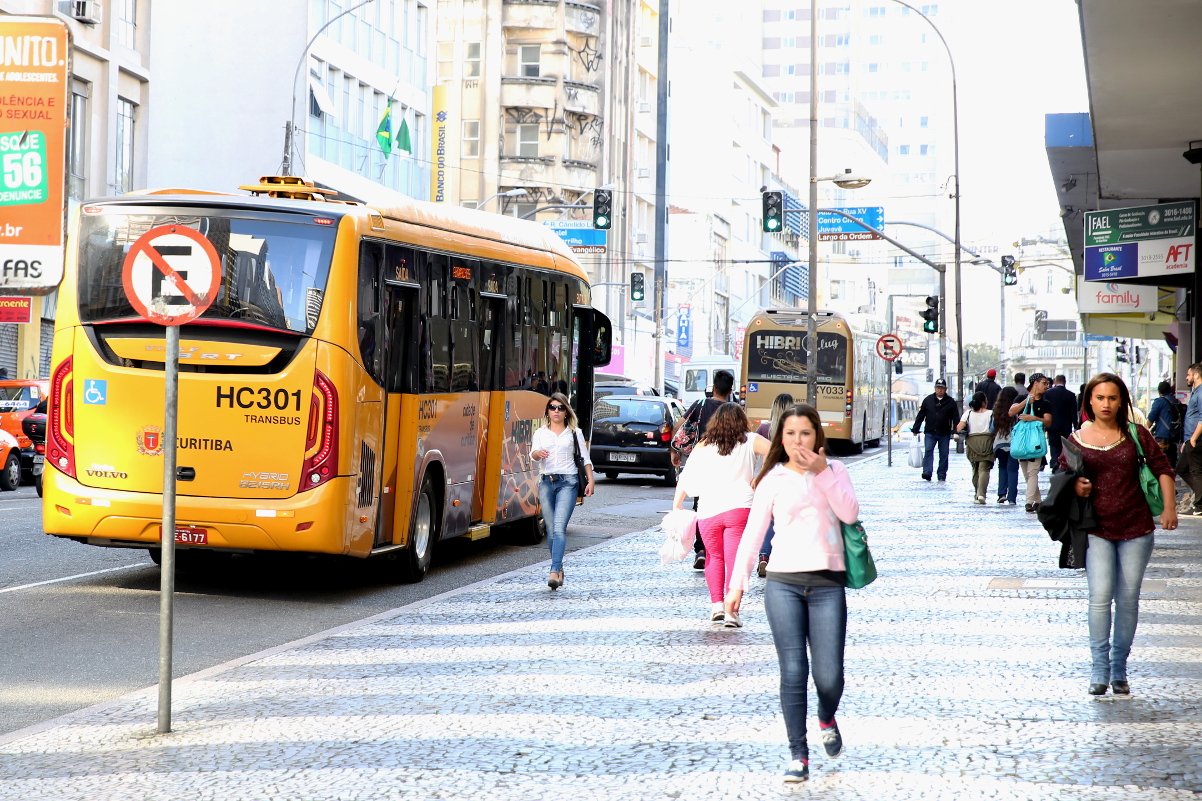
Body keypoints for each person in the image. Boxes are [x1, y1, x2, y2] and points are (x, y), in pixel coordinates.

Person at [726, 403, 860, 783]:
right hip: (783, 582)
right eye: (790, 434)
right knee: (794, 670)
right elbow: (753, 537)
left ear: (817, 435)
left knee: (830, 675)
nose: (798, 440)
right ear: (779, 439)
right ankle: (798, 754)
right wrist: (737, 585)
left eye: (805, 433)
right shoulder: (772, 478)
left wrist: (822, 475)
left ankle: (826, 716)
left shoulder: (836, 470)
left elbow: (849, 514)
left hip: (827, 583)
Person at [1064, 373, 1176, 696]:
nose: (1106, 404)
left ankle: (1119, 668)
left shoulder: (1136, 435)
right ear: (1089, 401)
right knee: (1099, 597)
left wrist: (1168, 508)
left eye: (1112, 398)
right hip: (1096, 529)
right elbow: (1062, 476)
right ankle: (1099, 668)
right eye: (1099, 398)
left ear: (1122, 401)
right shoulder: (1076, 439)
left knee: (1126, 600)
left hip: (1136, 528)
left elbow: (1163, 469)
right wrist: (1075, 484)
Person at [672, 403, 770, 624]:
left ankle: (716, 605)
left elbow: (686, 478)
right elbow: (777, 450)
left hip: (708, 511)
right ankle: (731, 612)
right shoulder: (750, 439)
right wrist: (761, 474)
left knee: (713, 557)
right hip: (739, 509)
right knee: (736, 561)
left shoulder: (703, 445)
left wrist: (676, 505)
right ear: (741, 420)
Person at [530, 392, 595, 589]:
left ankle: (553, 569)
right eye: (552, 407)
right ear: (548, 411)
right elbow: (532, 454)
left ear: (566, 411)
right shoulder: (541, 432)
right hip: (546, 482)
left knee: (559, 528)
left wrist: (591, 481)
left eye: (560, 407)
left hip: (568, 482)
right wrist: (537, 453)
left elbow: (585, 459)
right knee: (551, 530)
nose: (556, 411)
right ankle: (559, 569)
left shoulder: (575, 432)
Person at [673, 369, 735, 568]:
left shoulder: (700, 405)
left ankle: (701, 549)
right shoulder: (734, 411)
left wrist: (675, 450)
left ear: (713, 388)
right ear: (730, 390)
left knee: (701, 506)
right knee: (724, 508)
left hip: (702, 464)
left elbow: (680, 425)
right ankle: (716, 549)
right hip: (727, 466)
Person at [755, 392, 794, 577]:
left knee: (768, 521)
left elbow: (753, 452)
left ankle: (764, 557)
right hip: (791, 479)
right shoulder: (795, 430)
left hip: (769, 479)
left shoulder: (764, 429)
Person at [1009, 373, 1052, 512]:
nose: (1047, 386)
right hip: (1022, 442)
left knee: (1032, 473)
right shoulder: (1021, 398)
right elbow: (1011, 412)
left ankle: (1028, 503)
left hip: (1035, 442)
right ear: (1035, 383)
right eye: (1044, 383)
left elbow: (1048, 421)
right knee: (1028, 475)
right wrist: (1026, 402)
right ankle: (1038, 501)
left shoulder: (1045, 403)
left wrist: (1032, 418)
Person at [911, 378, 961, 481]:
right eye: (938, 388)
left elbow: (956, 418)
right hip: (930, 432)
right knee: (928, 451)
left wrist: (956, 432)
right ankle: (927, 472)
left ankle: (941, 474)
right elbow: (921, 415)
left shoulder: (951, 402)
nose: (939, 390)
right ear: (935, 388)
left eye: (942, 388)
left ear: (945, 389)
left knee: (944, 455)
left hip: (944, 433)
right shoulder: (928, 400)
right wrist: (916, 429)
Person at [956, 391, 995, 504]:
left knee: (975, 469)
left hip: (972, 443)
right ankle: (981, 495)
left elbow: (959, 428)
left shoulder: (967, 414)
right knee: (984, 470)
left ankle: (976, 493)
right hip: (987, 442)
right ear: (983, 402)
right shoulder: (991, 413)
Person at [1177, 362, 1202, 515]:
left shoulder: (1200, 392)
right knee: (1182, 468)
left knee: (1196, 471)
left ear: (1196, 375)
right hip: (1190, 439)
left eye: (1188, 374)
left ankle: (1199, 506)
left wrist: (1193, 438)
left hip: (1196, 440)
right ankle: (1200, 497)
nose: (1186, 377)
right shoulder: (1196, 391)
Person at [1044, 375, 1079, 473]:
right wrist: (1075, 425)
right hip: (1065, 425)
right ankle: (1062, 463)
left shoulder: (1048, 393)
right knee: (1064, 445)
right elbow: (1073, 412)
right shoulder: (1071, 395)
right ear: (1065, 382)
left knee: (1054, 445)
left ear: (1055, 382)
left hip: (1052, 425)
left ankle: (1055, 462)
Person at [992, 386, 1020, 505]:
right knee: (1013, 470)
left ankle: (1001, 494)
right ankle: (1012, 497)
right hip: (1013, 443)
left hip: (999, 443)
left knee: (1002, 467)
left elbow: (991, 428)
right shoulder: (1017, 410)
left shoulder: (996, 410)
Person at [1148, 380, 1183, 465]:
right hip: (1175, 437)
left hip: (1162, 437)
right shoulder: (1176, 401)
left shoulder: (1159, 402)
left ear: (1159, 391)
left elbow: (1150, 420)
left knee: (1158, 463)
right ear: (1170, 390)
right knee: (1171, 464)